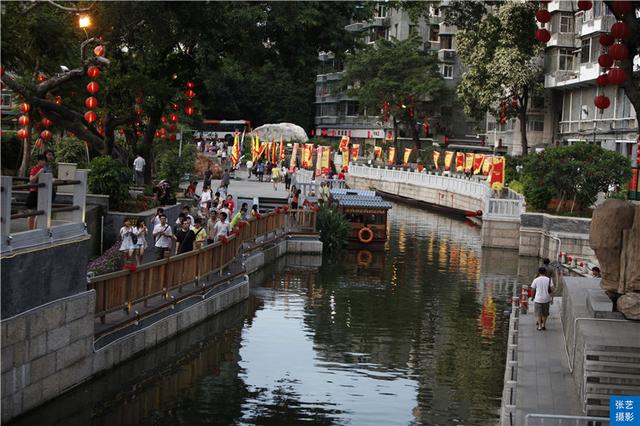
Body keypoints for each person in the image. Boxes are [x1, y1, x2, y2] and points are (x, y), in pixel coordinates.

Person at [26, 154, 48, 230]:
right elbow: (31, 180)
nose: (44, 162)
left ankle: (35, 231)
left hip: (42, 194)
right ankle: (30, 231)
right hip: (34, 193)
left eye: (45, 160)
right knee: (32, 214)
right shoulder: (35, 169)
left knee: (39, 214)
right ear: (38, 161)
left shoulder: (45, 170)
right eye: (42, 160)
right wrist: (39, 172)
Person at [531, 267, 555, 331]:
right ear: (545, 272)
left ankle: (539, 326)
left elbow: (533, 289)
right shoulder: (549, 280)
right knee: (545, 313)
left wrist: (532, 296)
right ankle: (544, 325)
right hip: (546, 299)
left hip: (538, 299)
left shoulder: (536, 280)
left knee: (538, 314)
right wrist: (552, 299)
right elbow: (552, 290)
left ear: (539, 272)